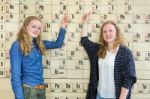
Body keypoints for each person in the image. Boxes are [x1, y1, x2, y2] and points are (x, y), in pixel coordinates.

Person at [9, 14, 69, 99]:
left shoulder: (39, 43)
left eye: (39, 28)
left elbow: (58, 44)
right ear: (25, 27)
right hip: (28, 91)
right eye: (34, 26)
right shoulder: (17, 45)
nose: (37, 30)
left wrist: (63, 26)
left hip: (41, 90)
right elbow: (15, 76)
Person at [80, 12, 136, 99]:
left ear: (116, 32)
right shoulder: (98, 50)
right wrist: (84, 22)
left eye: (110, 31)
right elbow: (85, 41)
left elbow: (129, 78)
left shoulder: (125, 52)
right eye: (104, 32)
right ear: (102, 35)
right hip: (98, 95)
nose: (107, 34)